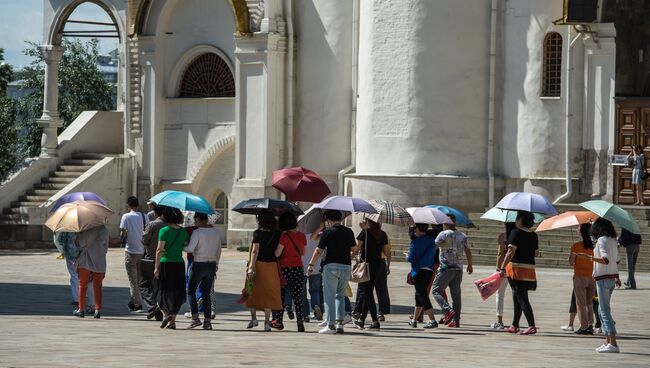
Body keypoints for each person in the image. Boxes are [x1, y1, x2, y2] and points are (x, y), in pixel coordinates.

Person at [307, 210, 358, 334]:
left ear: (328, 220)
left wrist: (311, 264)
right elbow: (355, 249)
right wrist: (347, 257)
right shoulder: (348, 231)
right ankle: (340, 324)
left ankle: (330, 325)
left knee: (329, 296)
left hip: (331, 266)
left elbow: (319, 250)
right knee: (340, 295)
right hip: (346, 266)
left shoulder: (328, 232)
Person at [575, 218, 622, 353]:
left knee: (604, 311)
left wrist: (588, 257)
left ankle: (612, 343)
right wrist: (617, 276)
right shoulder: (613, 240)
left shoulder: (602, 240)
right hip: (611, 278)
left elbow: (606, 259)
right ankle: (607, 341)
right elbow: (616, 260)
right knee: (602, 311)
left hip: (603, 279)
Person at [499, 211, 538, 335]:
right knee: (517, 296)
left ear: (520, 220)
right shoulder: (534, 235)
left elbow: (510, 252)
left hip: (516, 269)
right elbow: (536, 253)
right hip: (529, 269)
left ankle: (531, 325)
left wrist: (502, 267)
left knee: (522, 298)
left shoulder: (515, 232)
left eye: (517, 218)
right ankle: (514, 325)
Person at [431, 214, 473, 328]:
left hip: (446, 268)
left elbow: (433, 247)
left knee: (436, 290)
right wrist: (470, 265)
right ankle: (456, 321)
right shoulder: (462, 235)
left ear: (445, 223)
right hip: (458, 269)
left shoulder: (443, 234)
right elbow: (468, 251)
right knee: (456, 295)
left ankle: (447, 310)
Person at [245, 210, 282, 332]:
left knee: (251, 290)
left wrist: (251, 266)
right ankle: (267, 323)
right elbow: (277, 252)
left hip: (258, 265)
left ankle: (254, 318)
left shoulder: (258, 233)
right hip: (271, 266)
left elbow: (255, 251)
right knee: (268, 294)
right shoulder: (277, 233)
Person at [184, 212, 222, 330]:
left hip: (199, 263)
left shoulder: (197, 232)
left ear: (200, 220)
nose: (194, 222)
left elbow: (190, 248)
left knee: (191, 291)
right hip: (211, 264)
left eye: (195, 220)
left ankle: (195, 318)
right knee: (206, 293)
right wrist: (216, 263)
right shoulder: (215, 232)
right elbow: (219, 250)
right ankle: (207, 321)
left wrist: (182, 246)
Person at [271, 212, 307, 332]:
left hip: (285, 269)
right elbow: (303, 253)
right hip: (298, 268)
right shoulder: (302, 236)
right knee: (298, 297)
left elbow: (277, 253)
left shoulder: (284, 237)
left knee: (281, 296)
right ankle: (300, 322)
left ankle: (279, 321)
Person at [154, 206, 188, 330]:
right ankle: (172, 319)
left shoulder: (164, 230)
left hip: (165, 263)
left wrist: (156, 267)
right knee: (176, 291)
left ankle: (166, 315)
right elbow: (184, 245)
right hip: (179, 263)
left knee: (162, 290)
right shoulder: (183, 232)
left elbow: (159, 250)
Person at [353, 219, 390, 330]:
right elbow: (387, 253)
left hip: (366, 266)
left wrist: (348, 257)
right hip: (378, 266)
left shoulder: (365, 233)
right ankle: (361, 320)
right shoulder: (382, 234)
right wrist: (388, 265)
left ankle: (375, 321)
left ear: (369, 222)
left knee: (368, 293)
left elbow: (356, 249)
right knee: (368, 292)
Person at [119, 196, 149, 312]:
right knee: (139, 279)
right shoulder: (144, 216)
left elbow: (123, 232)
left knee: (132, 279)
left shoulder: (126, 216)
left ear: (129, 206)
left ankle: (137, 304)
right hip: (142, 251)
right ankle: (133, 301)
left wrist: (120, 239)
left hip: (130, 250)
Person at [73, 225, 109, 319]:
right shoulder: (104, 229)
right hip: (99, 260)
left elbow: (79, 243)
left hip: (86, 260)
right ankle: (97, 310)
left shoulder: (85, 229)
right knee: (97, 286)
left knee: (82, 284)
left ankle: (81, 309)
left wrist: (78, 234)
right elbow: (106, 247)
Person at [407, 223, 438, 329]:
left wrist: (407, 256)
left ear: (418, 229)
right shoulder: (431, 240)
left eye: (415, 228)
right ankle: (414, 320)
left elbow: (411, 258)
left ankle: (433, 320)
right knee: (419, 294)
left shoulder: (414, 242)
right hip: (429, 270)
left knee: (422, 295)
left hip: (418, 271)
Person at [141, 204, 168, 320]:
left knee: (144, 284)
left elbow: (144, 239)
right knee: (159, 285)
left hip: (150, 257)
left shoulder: (153, 224)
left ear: (155, 213)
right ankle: (159, 309)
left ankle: (152, 306)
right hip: (164, 259)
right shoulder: (169, 225)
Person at [569, 223, 596, 335]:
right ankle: (590, 325)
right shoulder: (594, 246)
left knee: (580, 303)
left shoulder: (576, 246)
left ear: (581, 231)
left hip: (580, 277)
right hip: (592, 277)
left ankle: (584, 326)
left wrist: (570, 256)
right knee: (589, 303)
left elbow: (571, 262)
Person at [491, 222, 515, 329]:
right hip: (515, 267)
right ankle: (516, 322)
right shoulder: (517, 236)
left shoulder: (502, 236)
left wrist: (499, 268)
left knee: (500, 295)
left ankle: (499, 321)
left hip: (504, 268)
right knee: (517, 295)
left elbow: (500, 254)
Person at [301, 233, 323, 322]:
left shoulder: (300, 234)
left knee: (302, 292)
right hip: (315, 266)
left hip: (302, 266)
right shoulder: (319, 235)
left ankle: (305, 314)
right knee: (315, 290)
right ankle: (316, 305)